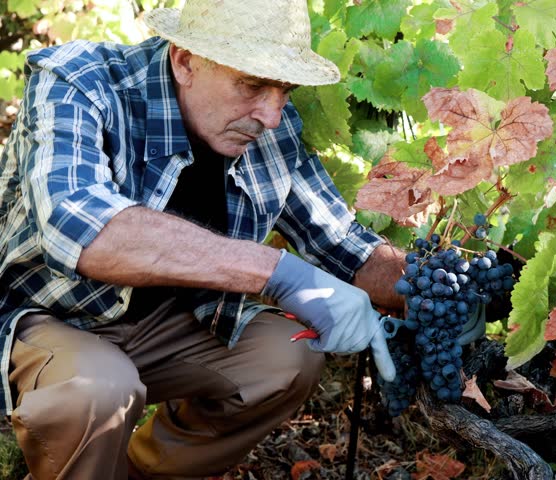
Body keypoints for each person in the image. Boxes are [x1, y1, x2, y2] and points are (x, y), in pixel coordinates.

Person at [0, 0, 407, 477]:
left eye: (286, 89)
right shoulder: (82, 83)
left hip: (167, 328)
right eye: (253, 84)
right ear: (185, 60)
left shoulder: (268, 129)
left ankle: (137, 471)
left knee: (287, 356)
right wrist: (278, 272)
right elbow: (80, 227)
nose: (273, 115)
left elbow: (347, 247)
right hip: (46, 321)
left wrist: (426, 289)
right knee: (100, 388)